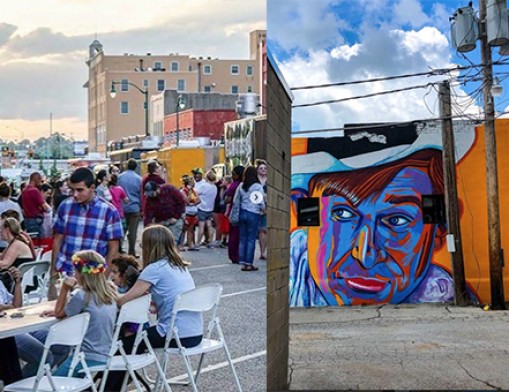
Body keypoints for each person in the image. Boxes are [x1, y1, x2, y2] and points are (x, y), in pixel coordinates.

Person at [290, 149, 461, 307]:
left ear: (437, 231)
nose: (365, 257)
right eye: (342, 214)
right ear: (304, 212)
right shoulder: (288, 274)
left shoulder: (443, 292)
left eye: (396, 220)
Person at [104, 225, 203, 390]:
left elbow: (124, 300)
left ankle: (108, 388)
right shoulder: (179, 266)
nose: (141, 247)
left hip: (174, 333)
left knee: (125, 344)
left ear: (150, 246)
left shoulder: (154, 269)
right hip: (194, 332)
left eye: (143, 244)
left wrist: (104, 293)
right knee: (131, 343)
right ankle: (119, 382)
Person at [42, 250, 118, 377]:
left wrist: (64, 289)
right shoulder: (110, 294)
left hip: (85, 357)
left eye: (75, 271)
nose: (73, 274)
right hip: (105, 353)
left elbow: (58, 312)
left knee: (50, 383)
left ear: (82, 274)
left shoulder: (82, 296)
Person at [51, 167, 123, 280]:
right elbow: (58, 238)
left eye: (80, 190)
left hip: (93, 274)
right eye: (72, 190)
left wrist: (104, 277)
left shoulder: (109, 211)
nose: (75, 194)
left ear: (92, 188)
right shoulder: (65, 206)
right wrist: (53, 270)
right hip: (66, 269)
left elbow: (113, 248)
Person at [237, 166, 265, 271]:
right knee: (251, 239)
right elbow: (260, 201)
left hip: (242, 212)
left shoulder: (241, 185)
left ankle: (243, 263)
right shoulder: (257, 186)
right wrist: (263, 209)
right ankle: (249, 263)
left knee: (243, 238)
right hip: (253, 213)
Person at [0, 267, 24, 384]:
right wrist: (9, 306)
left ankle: (18, 385)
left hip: (12, 327)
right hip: (6, 331)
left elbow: (17, 306)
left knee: (60, 348)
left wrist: (18, 283)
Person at [118, 158, 142, 257]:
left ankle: (118, 250)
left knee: (121, 230)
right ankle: (131, 252)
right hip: (134, 207)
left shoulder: (120, 177)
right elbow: (140, 194)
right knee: (133, 232)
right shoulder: (138, 179)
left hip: (122, 207)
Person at [21, 172, 51, 238]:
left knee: (32, 240)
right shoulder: (34, 190)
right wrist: (47, 209)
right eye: (40, 180)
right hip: (36, 220)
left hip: (27, 219)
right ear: (36, 179)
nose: (41, 182)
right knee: (40, 242)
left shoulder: (25, 190)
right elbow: (45, 206)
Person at [225, 166, 244, 263]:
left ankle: (234, 255)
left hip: (235, 212)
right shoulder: (247, 184)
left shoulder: (234, 185)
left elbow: (227, 200)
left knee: (234, 235)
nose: (232, 176)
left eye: (233, 174)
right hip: (246, 211)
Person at [194, 169, 217, 248]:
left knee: (201, 226)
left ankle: (198, 243)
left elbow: (195, 192)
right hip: (210, 208)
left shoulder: (204, 186)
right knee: (209, 225)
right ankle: (210, 242)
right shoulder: (214, 187)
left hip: (202, 208)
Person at [180, 175, 201, 251]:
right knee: (183, 229)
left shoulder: (194, 191)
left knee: (191, 229)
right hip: (186, 212)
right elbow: (187, 200)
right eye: (193, 182)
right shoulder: (183, 191)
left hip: (193, 213)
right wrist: (189, 192)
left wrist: (194, 203)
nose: (194, 183)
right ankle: (181, 245)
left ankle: (190, 245)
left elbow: (199, 200)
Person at [108, 173, 129, 249]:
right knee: (122, 230)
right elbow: (126, 200)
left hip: (110, 213)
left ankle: (114, 247)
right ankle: (120, 246)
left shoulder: (107, 190)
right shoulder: (120, 189)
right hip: (119, 213)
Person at [255, 159, 268, 260]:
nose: (263, 170)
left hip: (267, 207)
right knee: (260, 230)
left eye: (265, 168)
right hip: (256, 207)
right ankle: (261, 251)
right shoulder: (255, 181)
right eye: (261, 168)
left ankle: (263, 251)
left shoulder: (269, 181)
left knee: (264, 229)